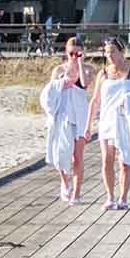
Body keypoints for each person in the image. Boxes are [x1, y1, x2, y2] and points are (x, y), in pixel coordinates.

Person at [83, 37, 130, 211]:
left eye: (113, 52)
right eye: (107, 52)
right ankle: (110, 197)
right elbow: (95, 100)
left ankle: (123, 197)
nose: (110, 56)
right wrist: (88, 127)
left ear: (122, 52)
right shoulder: (103, 74)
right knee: (106, 161)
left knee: (124, 162)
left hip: (125, 122)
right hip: (107, 122)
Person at [39, 35, 92, 204]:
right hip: (63, 115)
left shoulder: (88, 68)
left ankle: (76, 194)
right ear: (66, 52)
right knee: (62, 153)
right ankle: (64, 182)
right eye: (71, 53)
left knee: (78, 157)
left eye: (78, 53)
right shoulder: (58, 70)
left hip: (81, 116)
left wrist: (80, 64)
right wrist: (63, 81)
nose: (74, 56)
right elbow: (51, 93)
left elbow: (85, 84)